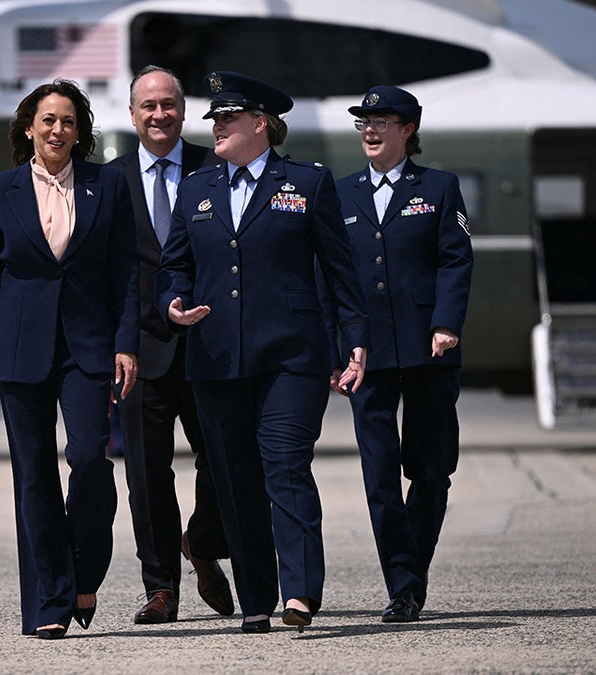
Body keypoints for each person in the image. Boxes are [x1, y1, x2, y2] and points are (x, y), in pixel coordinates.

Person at [157, 71, 369, 634]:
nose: (216, 127)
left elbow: (340, 272)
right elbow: (174, 264)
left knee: (284, 463)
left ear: (261, 124)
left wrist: (355, 339)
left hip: (292, 356)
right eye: (215, 119)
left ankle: (299, 591)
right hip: (217, 358)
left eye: (227, 118)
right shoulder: (197, 188)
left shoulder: (308, 182)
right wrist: (173, 303)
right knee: (235, 478)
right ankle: (256, 600)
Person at [0, 80, 140, 640]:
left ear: (80, 130)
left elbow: (127, 271)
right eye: (47, 120)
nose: (57, 129)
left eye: (67, 120)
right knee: (33, 479)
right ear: (28, 129)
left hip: (88, 347)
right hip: (17, 350)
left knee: (89, 459)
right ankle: (51, 602)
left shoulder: (106, 185)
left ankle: (85, 572)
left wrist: (126, 341)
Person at [335, 86, 474, 622]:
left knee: (432, 469)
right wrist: (337, 347)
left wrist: (445, 324)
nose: (370, 130)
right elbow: (334, 278)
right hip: (364, 355)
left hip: (427, 349)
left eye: (382, 121)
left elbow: (456, 261)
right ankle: (404, 586)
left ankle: (411, 570)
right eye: (364, 122)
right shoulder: (342, 193)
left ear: (408, 130)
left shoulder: (439, 188)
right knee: (379, 475)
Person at [109, 65, 235, 624]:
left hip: (210, 345)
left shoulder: (217, 168)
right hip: (138, 351)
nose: (159, 114)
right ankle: (160, 586)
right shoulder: (110, 182)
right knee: (146, 472)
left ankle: (202, 544)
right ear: (132, 114)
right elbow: (103, 274)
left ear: (183, 111)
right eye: (147, 106)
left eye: (168, 104)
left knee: (222, 460)